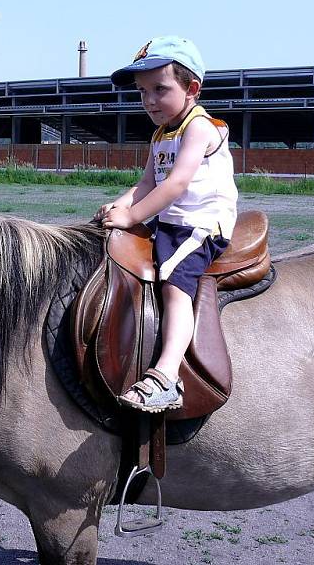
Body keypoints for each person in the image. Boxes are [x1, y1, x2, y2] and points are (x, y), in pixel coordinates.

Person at [95, 36, 238, 413]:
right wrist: (119, 205)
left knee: (175, 282)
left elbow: (176, 183)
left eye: (160, 89)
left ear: (192, 89)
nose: (150, 101)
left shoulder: (200, 128)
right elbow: (147, 183)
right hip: (173, 222)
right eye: (143, 93)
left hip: (201, 225)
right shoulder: (161, 134)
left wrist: (132, 216)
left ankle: (167, 374)